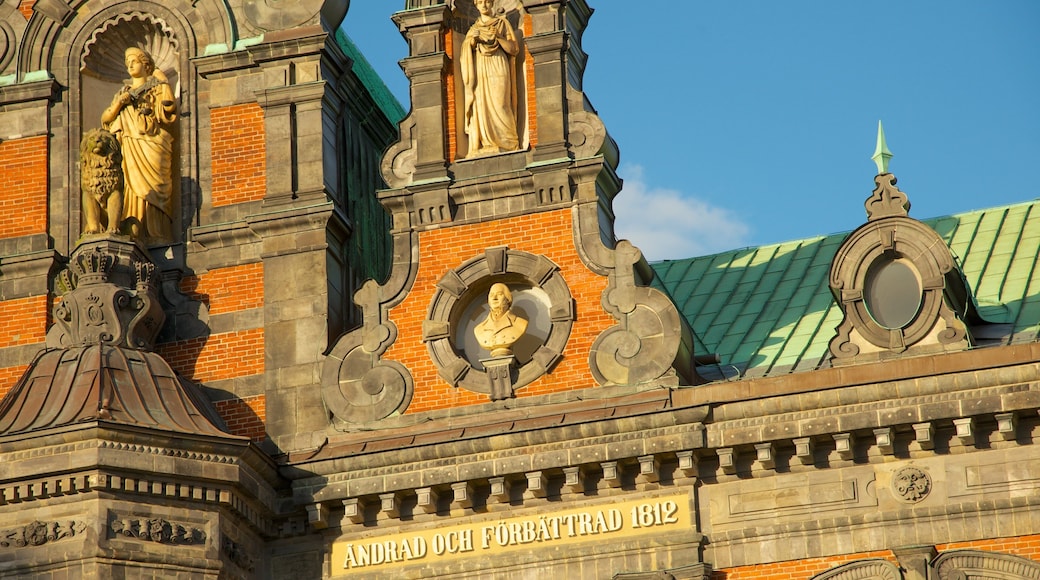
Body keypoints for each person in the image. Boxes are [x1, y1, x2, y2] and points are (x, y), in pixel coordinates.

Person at [101, 47, 177, 243]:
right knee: (130, 188)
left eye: (134, 60)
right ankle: (133, 230)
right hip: (129, 146)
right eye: (127, 62)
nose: (130, 65)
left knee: (154, 187)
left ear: (146, 64)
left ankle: (157, 234)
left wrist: (163, 81)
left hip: (152, 143)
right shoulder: (123, 93)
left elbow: (168, 109)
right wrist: (120, 103)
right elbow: (106, 119)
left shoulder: (156, 86)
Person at [460, 0, 520, 157]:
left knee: (501, 103)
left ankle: (509, 143)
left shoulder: (502, 23)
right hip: (480, 67)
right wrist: (472, 41)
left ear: (492, 3)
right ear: (476, 5)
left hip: (498, 64)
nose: (484, 5)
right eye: (480, 2)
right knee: (481, 106)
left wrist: (498, 37)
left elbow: (514, 48)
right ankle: (486, 143)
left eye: (487, 1)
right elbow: (465, 51)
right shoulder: (474, 29)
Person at [473, 283, 528, 357]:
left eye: (499, 294)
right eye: (491, 295)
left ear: (508, 299)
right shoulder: (479, 329)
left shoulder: (520, 324)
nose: (494, 298)